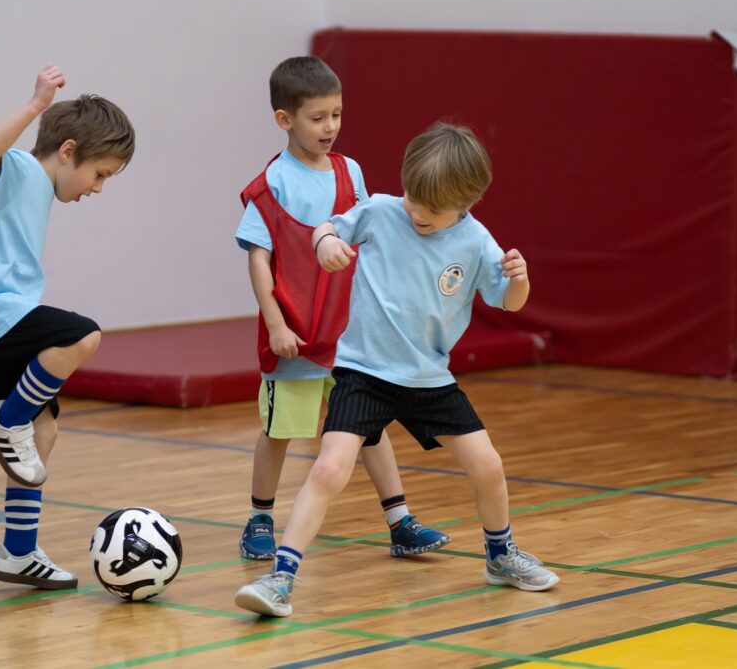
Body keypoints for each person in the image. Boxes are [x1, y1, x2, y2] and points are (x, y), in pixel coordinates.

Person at [235, 122, 560, 617]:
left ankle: (501, 555)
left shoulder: (475, 241)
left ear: (465, 202)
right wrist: (325, 244)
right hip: (363, 373)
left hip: (430, 379)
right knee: (327, 469)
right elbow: (329, 226)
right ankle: (280, 577)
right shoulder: (383, 211)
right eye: (413, 198)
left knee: (489, 466)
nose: (416, 212)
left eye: (430, 208)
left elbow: (510, 302)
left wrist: (520, 281)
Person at [234, 56, 447, 562]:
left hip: (352, 338)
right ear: (285, 120)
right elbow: (259, 261)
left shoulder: (350, 171)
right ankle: (259, 518)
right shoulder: (272, 186)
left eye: (337, 114)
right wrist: (276, 323)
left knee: (369, 428)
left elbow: (371, 234)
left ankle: (400, 521)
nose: (330, 126)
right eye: (317, 117)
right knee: (280, 431)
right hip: (297, 336)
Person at [0, 64, 135, 589]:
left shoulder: (23, 192)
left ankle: (16, 553)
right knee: (82, 334)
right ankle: (6, 419)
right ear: (68, 151)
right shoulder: (22, 171)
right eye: (100, 175)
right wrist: (34, 106)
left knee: (43, 433)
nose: (98, 188)